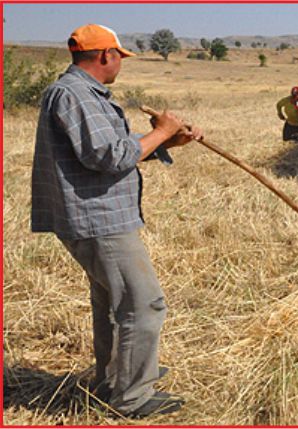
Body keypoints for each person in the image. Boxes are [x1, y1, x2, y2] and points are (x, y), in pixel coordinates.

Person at [31, 24, 202, 418]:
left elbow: (113, 151)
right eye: (119, 57)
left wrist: (167, 140)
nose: (119, 64)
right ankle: (133, 398)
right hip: (98, 220)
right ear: (106, 55)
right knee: (144, 304)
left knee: (111, 304)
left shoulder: (79, 94)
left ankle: (115, 379)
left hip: (96, 217)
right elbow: (108, 157)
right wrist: (160, 130)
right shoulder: (73, 95)